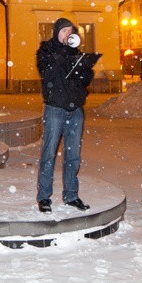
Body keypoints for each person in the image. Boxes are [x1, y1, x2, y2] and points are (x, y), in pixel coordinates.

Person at [36, 18, 94, 213]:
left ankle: (71, 195)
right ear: (56, 33)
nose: (67, 35)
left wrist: (85, 69)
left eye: (70, 31)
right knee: (49, 153)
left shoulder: (76, 53)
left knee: (73, 156)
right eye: (63, 31)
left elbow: (83, 80)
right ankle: (44, 197)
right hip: (55, 109)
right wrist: (61, 56)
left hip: (75, 110)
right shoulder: (46, 51)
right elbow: (46, 74)